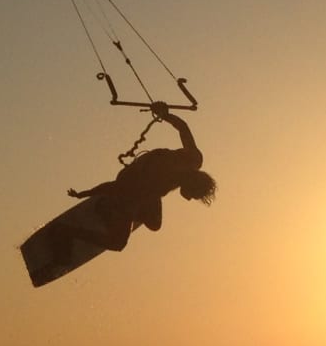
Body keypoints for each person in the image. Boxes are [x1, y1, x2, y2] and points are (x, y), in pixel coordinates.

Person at [66, 102, 215, 251]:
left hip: (143, 189)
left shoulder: (194, 159)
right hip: (131, 183)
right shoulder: (160, 180)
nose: (188, 199)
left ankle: (114, 210)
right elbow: (116, 186)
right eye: (192, 195)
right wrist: (86, 193)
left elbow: (183, 128)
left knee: (155, 224)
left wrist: (165, 115)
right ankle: (74, 228)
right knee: (117, 243)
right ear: (192, 183)